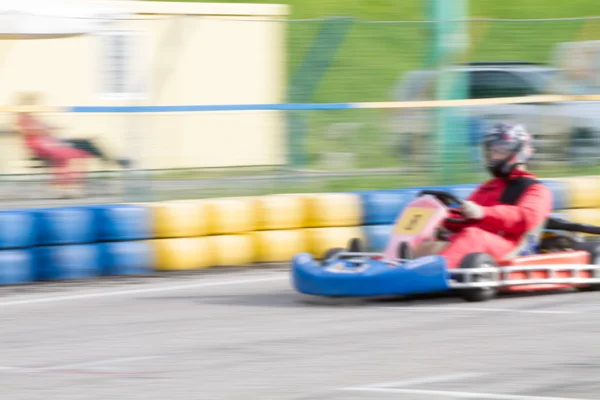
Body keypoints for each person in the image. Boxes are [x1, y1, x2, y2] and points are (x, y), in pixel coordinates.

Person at [410, 121, 553, 269]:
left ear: (517, 153)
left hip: (513, 247)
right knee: (427, 241)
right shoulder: (489, 186)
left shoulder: (536, 190)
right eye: (491, 151)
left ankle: (431, 272)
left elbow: (525, 217)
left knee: (473, 235)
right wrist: (441, 218)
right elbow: (464, 217)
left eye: (500, 151)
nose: (493, 156)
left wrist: (483, 212)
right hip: (477, 244)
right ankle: (399, 265)